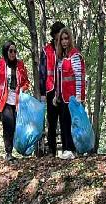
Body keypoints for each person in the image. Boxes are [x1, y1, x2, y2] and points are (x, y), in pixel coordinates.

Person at [0, 41, 30, 162]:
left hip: (17, 101)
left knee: (15, 126)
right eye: (10, 51)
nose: (13, 53)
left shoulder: (20, 65)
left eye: (15, 51)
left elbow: (26, 82)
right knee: (9, 125)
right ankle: (8, 152)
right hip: (4, 101)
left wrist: (23, 89)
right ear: (6, 51)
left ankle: (16, 150)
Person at [53, 27, 85, 160]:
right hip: (63, 96)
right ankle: (67, 149)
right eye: (62, 39)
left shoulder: (74, 55)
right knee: (64, 122)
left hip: (72, 96)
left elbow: (79, 76)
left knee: (71, 122)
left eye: (66, 39)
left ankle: (71, 149)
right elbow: (59, 78)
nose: (64, 41)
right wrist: (56, 95)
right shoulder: (61, 57)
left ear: (70, 40)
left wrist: (78, 95)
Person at [40, 21, 65, 157]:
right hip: (50, 90)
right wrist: (42, 92)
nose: (60, 38)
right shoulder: (46, 50)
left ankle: (67, 149)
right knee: (52, 121)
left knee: (65, 119)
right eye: (58, 35)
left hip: (65, 90)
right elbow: (42, 72)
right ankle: (51, 150)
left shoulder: (66, 49)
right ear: (54, 35)